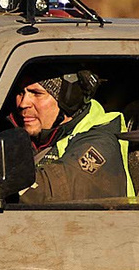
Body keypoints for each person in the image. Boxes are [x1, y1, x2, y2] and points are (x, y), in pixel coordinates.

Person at [7, 70, 132, 204]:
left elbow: (49, 194)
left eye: (37, 93)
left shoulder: (100, 143)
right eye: (21, 92)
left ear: (68, 100)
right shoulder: (39, 137)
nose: (23, 103)